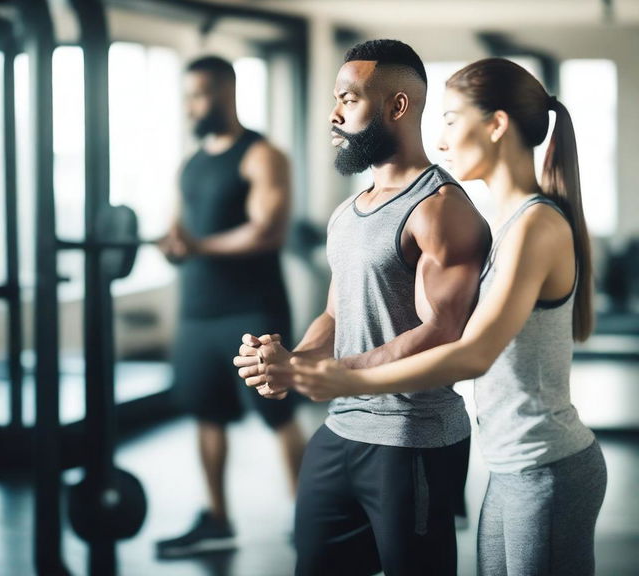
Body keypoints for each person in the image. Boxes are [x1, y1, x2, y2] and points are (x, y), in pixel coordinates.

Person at [289, 58, 608, 576]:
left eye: (451, 120)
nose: (439, 141)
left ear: (496, 125)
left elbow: (473, 353)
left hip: (546, 466)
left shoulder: (535, 225)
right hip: (509, 464)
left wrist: (344, 375)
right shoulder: (507, 223)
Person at [234, 40, 491, 575]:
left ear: (397, 107)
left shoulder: (440, 210)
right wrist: (293, 359)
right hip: (339, 431)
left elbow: (444, 331)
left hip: (410, 436)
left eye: (348, 99)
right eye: (336, 98)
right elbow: (335, 314)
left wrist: (325, 373)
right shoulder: (348, 213)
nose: (334, 113)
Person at [155, 55, 305, 558]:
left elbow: (269, 231)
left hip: (251, 310)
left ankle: (308, 515)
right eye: (187, 97)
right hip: (198, 309)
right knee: (206, 414)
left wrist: (199, 246)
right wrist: (176, 245)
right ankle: (217, 518)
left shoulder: (261, 155)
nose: (191, 107)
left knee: (277, 414)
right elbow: (183, 230)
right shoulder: (191, 163)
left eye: (199, 95)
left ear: (226, 92)